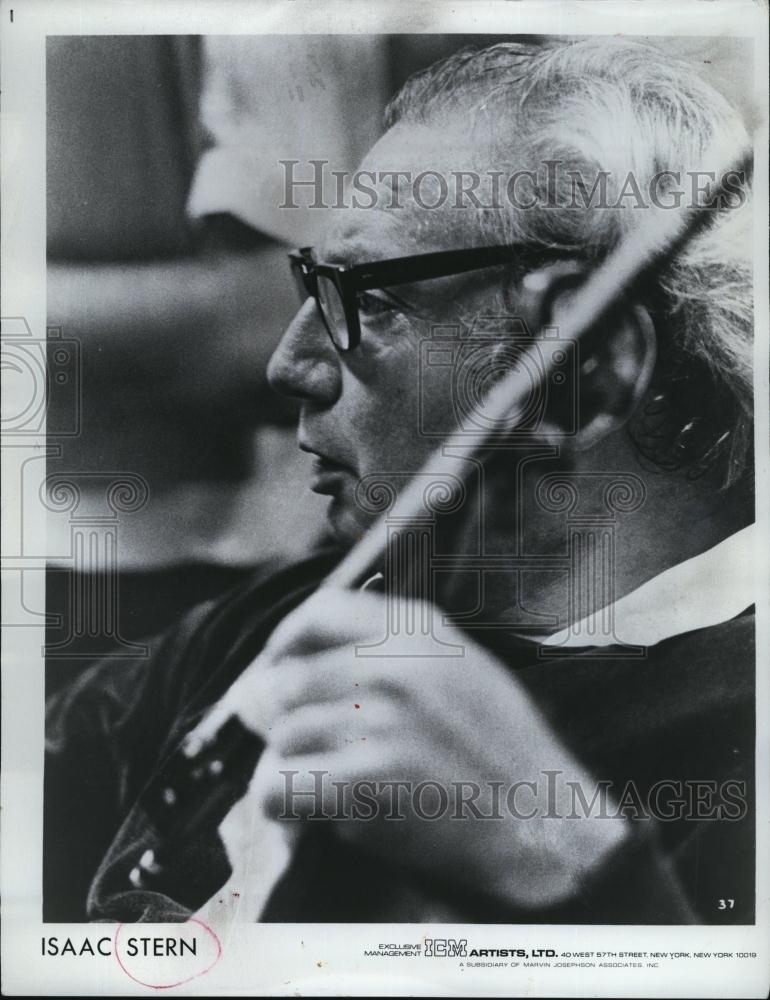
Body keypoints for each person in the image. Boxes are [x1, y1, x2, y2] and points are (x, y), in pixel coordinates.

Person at [44, 37, 755, 925]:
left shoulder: (740, 734)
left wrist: (568, 871)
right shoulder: (315, 603)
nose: (287, 363)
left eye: (369, 302)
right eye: (313, 285)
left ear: (590, 367)